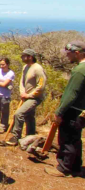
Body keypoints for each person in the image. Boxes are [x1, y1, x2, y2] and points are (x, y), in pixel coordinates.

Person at [44, 41, 85, 177]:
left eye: (69, 53)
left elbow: (71, 94)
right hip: (81, 110)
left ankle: (63, 168)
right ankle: (75, 166)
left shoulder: (80, 70)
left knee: (67, 139)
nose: (67, 56)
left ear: (77, 53)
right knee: (75, 139)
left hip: (73, 110)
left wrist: (60, 111)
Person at [6, 49, 47, 146]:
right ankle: (31, 136)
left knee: (18, 114)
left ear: (30, 57)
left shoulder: (38, 69)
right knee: (29, 116)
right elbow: (22, 81)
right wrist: (22, 92)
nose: (21, 57)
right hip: (26, 95)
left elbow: (41, 86)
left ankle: (16, 137)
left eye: (24, 56)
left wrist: (29, 95)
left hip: (35, 97)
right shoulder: (25, 67)